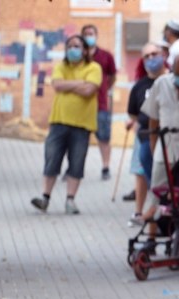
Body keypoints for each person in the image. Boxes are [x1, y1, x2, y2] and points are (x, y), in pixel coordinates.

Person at [30, 34, 102, 214]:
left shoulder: (94, 68)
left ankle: (70, 200)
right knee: (52, 159)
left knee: (76, 163)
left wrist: (68, 85)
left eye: (76, 46)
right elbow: (57, 85)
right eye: (69, 46)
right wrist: (80, 82)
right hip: (59, 121)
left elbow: (89, 90)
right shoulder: (61, 66)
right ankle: (45, 197)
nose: (72, 50)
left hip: (82, 124)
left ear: (84, 50)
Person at [141, 54, 179, 208]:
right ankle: (154, 220)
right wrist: (154, 147)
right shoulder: (161, 83)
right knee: (157, 189)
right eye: (178, 74)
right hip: (165, 144)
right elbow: (153, 119)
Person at [125, 42, 165, 227]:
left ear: (163, 55)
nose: (151, 59)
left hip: (167, 138)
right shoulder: (139, 86)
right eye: (147, 56)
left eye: (154, 54)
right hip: (144, 138)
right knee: (142, 174)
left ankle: (161, 210)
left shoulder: (170, 80)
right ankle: (139, 211)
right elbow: (134, 114)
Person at [80, 24, 116, 181]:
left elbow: (112, 76)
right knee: (79, 139)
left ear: (96, 35)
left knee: (104, 137)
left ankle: (105, 167)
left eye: (91, 33)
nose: (89, 36)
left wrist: (105, 89)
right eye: (86, 34)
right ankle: (75, 168)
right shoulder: (78, 56)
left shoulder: (106, 56)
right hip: (80, 105)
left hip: (100, 104)